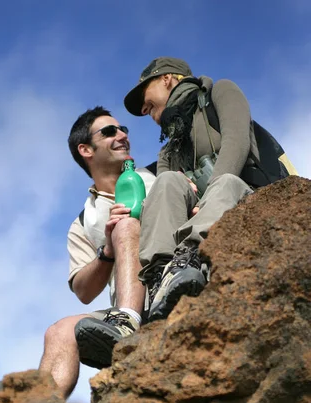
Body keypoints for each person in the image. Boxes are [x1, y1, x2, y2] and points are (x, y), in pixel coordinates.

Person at [122, 56, 296, 321]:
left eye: (145, 97)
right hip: (205, 214)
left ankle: (192, 256)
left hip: (249, 196)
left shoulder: (220, 93)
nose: (145, 111)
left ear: (166, 79)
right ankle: (161, 276)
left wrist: (205, 199)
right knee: (166, 182)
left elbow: (237, 142)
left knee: (226, 182)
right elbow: (166, 198)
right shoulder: (169, 151)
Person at [38, 106, 154, 398]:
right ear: (85, 149)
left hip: (170, 282)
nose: (123, 135)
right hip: (125, 311)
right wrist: (107, 251)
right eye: (110, 131)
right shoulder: (81, 223)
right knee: (59, 332)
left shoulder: (159, 173)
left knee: (125, 225)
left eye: (123, 129)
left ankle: (128, 322)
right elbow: (83, 290)